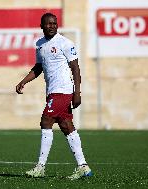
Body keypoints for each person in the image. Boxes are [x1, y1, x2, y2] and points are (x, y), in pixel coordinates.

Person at [16, 13, 92, 180]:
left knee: (46, 120)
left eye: (54, 23)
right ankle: (83, 167)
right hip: (52, 91)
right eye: (48, 24)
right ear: (41, 26)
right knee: (66, 126)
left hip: (63, 90)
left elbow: (76, 69)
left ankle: (40, 167)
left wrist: (77, 93)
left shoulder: (65, 43)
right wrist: (24, 81)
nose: (51, 26)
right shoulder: (40, 44)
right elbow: (38, 68)